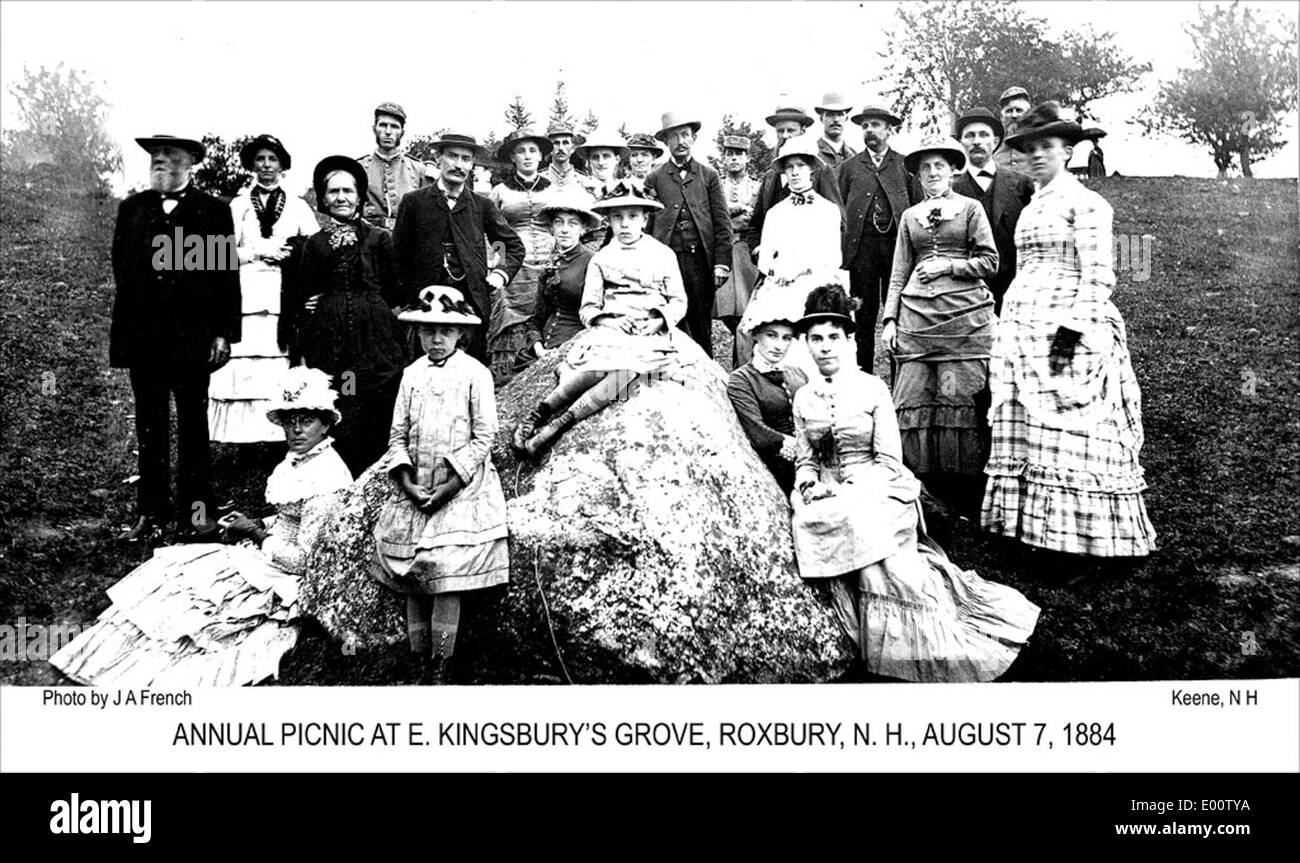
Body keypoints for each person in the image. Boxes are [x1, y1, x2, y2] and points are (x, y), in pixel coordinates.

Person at [789, 285, 1039, 682]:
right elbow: (807, 460)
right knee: (812, 520)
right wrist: (808, 484)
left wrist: (843, 492)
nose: (824, 348)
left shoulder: (872, 389)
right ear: (805, 342)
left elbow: (890, 463)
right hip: (827, 490)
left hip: (881, 489)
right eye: (815, 338)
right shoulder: (803, 397)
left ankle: (910, 647)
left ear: (851, 339)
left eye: (834, 337)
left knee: (875, 550)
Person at [51, 367, 354, 686]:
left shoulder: (326, 479)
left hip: (287, 575)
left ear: (325, 424)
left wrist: (255, 532)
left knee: (196, 607)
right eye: (290, 421)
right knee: (171, 580)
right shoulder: (300, 459)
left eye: (305, 421)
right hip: (268, 551)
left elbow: (306, 561)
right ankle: (107, 657)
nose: (296, 430)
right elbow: (290, 517)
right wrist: (251, 525)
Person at [982, 102, 1157, 571]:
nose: (1037, 155)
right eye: (1030, 148)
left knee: (1071, 427)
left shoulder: (1088, 203)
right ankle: (1037, 531)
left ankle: (1082, 543)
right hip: (1024, 323)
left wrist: (1070, 336)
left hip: (1066, 327)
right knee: (1031, 427)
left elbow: (1099, 277)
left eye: (1047, 147)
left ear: (1067, 151)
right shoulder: (1033, 204)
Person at [373, 286, 509, 681]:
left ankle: (442, 663)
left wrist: (450, 485)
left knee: (446, 568)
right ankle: (418, 657)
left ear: (460, 334)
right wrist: (408, 482)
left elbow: (485, 436)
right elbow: (397, 436)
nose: (436, 339)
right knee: (413, 570)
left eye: (445, 331)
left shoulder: (475, 374)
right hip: (416, 486)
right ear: (416, 333)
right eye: (427, 330)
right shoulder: (411, 376)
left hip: (459, 488)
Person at [110, 134, 240, 542]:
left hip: (192, 338)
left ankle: (197, 511)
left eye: (170, 156)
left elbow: (225, 278)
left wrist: (222, 332)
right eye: (155, 157)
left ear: (192, 163)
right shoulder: (132, 210)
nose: (161, 162)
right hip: (145, 337)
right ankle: (151, 514)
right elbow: (123, 272)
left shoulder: (213, 212)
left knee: (193, 426)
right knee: (149, 426)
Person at [512, 180, 689, 457]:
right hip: (613, 329)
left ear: (645, 218)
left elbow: (679, 301)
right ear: (608, 221)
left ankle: (559, 424)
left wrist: (659, 321)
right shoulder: (601, 259)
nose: (625, 224)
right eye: (617, 217)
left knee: (630, 370)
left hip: (650, 332)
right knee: (598, 364)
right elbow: (588, 308)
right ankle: (538, 414)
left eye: (632, 216)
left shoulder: (664, 255)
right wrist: (609, 321)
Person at [881, 135, 999, 514]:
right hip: (916, 318)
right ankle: (922, 486)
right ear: (917, 175)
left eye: (939, 166)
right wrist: (889, 320)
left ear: (953, 170)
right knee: (916, 394)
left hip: (962, 318)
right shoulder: (909, 216)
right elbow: (898, 272)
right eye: (925, 167)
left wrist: (949, 266)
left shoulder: (970, 209)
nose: (932, 173)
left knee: (955, 392)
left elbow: (989, 262)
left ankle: (964, 490)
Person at [287, 156, 408, 477]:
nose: (341, 197)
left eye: (348, 191)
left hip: (374, 334)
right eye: (333, 191)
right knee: (342, 395)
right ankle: (340, 473)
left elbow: (395, 289)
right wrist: (311, 305)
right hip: (330, 337)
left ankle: (379, 470)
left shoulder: (378, 238)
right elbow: (303, 292)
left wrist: (384, 317)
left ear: (359, 196)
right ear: (323, 199)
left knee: (377, 397)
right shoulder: (315, 244)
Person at [209, 134, 320, 445]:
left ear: (282, 165)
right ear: (252, 165)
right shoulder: (239, 205)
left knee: (276, 358)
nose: (267, 166)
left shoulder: (297, 207)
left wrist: (292, 253)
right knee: (246, 358)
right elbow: (220, 252)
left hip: (283, 294)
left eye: (272, 159)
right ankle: (241, 437)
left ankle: (275, 435)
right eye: (260, 160)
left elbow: (316, 248)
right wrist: (257, 253)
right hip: (247, 292)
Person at [392, 132, 525, 366]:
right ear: (439, 158)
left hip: (469, 305)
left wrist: (499, 273)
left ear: (472, 164)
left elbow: (506, 244)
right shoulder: (415, 202)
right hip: (424, 305)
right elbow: (398, 255)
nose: (458, 165)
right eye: (452, 156)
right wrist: (405, 298)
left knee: (468, 371)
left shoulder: (481, 205)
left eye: (466, 159)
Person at [838, 103, 922, 374]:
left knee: (896, 315)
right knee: (863, 317)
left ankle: (899, 383)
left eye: (875, 125)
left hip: (896, 251)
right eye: (865, 126)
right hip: (861, 252)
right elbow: (838, 211)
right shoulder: (849, 168)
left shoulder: (905, 165)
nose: (869, 130)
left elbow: (918, 207)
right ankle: (863, 377)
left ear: (889, 129)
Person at [644, 111, 732, 358]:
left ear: (693, 138)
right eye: (674, 136)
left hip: (699, 264)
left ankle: (705, 375)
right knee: (672, 321)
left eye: (685, 135)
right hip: (667, 263)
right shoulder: (655, 178)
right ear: (666, 142)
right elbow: (648, 224)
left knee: (701, 323)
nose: (680, 141)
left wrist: (722, 264)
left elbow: (721, 222)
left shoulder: (708, 175)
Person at [487, 128, 557, 385]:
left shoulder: (554, 190)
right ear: (512, 157)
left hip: (549, 263)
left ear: (540, 157)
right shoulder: (499, 192)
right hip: (515, 268)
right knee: (512, 321)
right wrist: (498, 267)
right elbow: (493, 234)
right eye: (520, 151)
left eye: (532, 151)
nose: (527, 156)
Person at [952, 107, 1036, 315]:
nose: (977, 141)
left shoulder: (1021, 184)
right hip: (968, 290)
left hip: (1014, 286)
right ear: (961, 142)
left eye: (983, 135)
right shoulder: (952, 190)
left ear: (996, 141)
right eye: (969, 136)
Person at [726, 289, 809, 493]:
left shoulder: (796, 373)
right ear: (756, 335)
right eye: (771, 336)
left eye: (786, 338)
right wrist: (798, 447)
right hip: (772, 465)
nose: (779, 345)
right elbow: (758, 432)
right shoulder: (741, 379)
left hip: (808, 460)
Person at [513, 193, 600, 372]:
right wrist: (538, 349)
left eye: (572, 223)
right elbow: (536, 319)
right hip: (542, 350)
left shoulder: (594, 263)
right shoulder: (550, 266)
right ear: (551, 227)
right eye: (559, 222)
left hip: (576, 347)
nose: (564, 229)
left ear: (583, 228)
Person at [746, 104, 844, 261]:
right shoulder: (770, 177)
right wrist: (758, 250)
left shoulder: (820, 171)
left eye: (791, 130)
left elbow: (839, 224)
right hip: (772, 267)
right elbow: (756, 224)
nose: (785, 136)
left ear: (802, 132)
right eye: (780, 131)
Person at [713, 134, 761, 360]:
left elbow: (755, 219)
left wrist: (737, 215)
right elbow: (715, 217)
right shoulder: (716, 185)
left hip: (745, 253)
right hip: (722, 250)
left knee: (747, 312)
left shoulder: (756, 187)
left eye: (738, 154)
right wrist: (737, 209)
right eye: (729, 154)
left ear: (747, 158)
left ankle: (742, 361)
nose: (733, 158)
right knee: (725, 312)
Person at [358, 102, 432, 230]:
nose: (388, 132)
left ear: (402, 132)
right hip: (368, 241)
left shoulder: (419, 170)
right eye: (383, 125)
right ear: (374, 129)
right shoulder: (358, 168)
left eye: (394, 127)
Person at [814, 91, 858, 172]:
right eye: (830, 114)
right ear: (821, 119)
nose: (836, 120)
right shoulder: (813, 152)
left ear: (846, 118)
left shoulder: (854, 155)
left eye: (840, 114)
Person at [992, 86, 1033, 173]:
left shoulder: (1038, 144)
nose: (1014, 115)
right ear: (1001, 117)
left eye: (1019, 110)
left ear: (1028, 115)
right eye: (1009, 111)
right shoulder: (992, 146)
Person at [543, 121, 589, 193]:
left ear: (573, 148)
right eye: (556, 143)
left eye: (565, 143)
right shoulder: (538, 180)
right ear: (549, 148)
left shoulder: (585, 182)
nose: (561, 148)